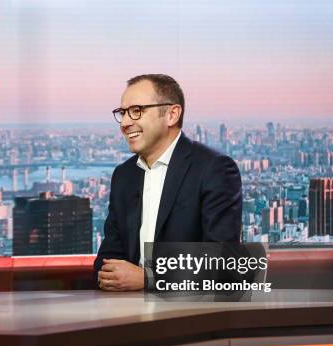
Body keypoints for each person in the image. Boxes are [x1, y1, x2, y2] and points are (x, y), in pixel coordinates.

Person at [95, 74, 242, 291]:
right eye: (122, 113)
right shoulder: (124, 175)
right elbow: (107, 261)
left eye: (137, 111)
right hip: (128, 315)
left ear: (172, 114)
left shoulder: (214, 169)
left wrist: (148, 278)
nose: (125, 122)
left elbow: (224, 265)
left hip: (192, 317)